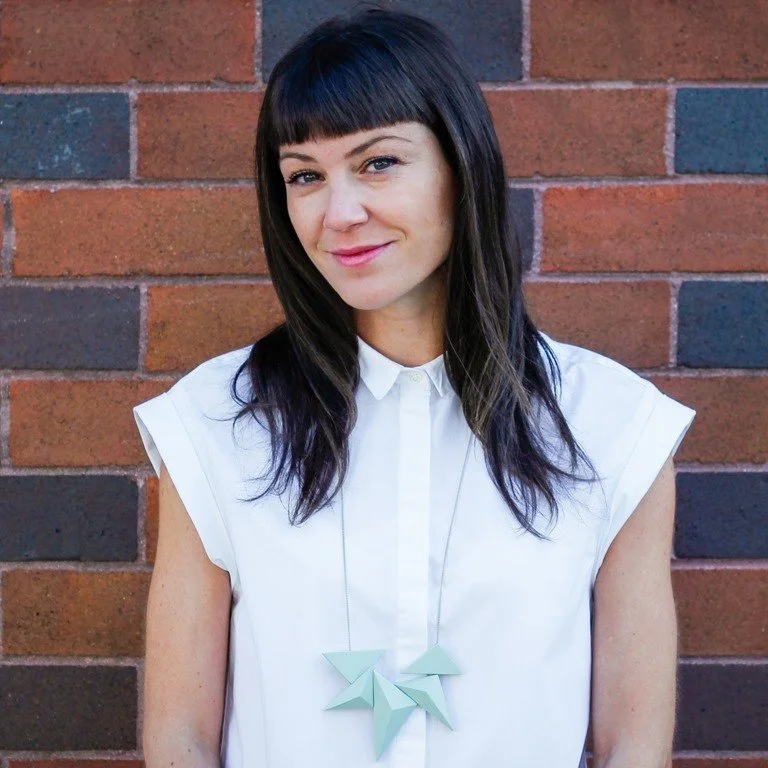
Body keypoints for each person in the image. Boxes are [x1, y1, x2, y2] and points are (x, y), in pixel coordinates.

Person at [133, 7, 697, 767]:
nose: (341, 214)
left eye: (378, 163)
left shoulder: (611, 427)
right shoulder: (214, 424)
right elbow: (180, 737)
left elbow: (633, 744)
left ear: (460, 168)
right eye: (305, 176)